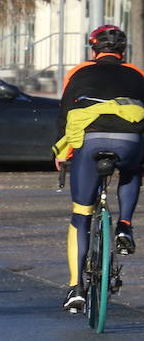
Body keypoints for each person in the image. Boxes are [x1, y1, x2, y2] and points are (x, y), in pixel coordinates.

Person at [53, 24, 144, 312]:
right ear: (123, 52)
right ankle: (125, 227)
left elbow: (66, 112)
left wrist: (62, 149)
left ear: (93, 51)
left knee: (81, 214)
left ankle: (74, 289)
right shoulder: (138, 74)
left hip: (90, 140)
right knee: (132, 170)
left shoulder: (78, 72)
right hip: (130, 140)